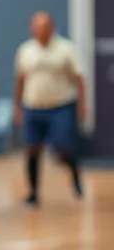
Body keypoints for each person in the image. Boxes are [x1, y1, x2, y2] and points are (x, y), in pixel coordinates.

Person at [15, 11, 85, 204]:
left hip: (60, 106)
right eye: (36, 26)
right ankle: (33, 193)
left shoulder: (65, 48)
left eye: (44, 26)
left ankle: (75, 175)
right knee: (32, 149)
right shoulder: (26, 50)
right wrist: (18, 107)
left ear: (52, 28)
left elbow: (79, 78)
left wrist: (83, 106)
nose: (40, 30)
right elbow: (20, 80)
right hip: (33, 107)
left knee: (63, 147)